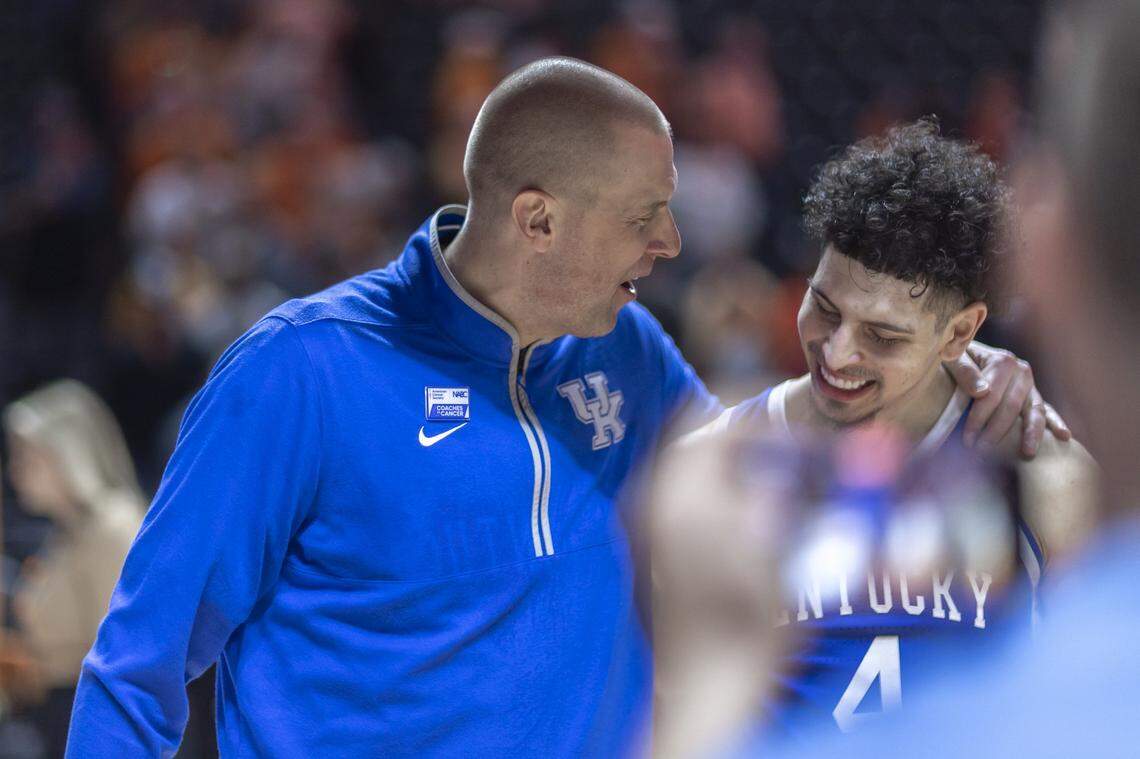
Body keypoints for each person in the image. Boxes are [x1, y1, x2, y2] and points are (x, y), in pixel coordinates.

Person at [66, 58, 1056, 757]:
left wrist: (968, 372)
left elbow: (768, 459)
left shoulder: (624, 348)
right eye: (643, 216)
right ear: (539, 220)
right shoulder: (298, 375)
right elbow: (135, 669)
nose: (671, 242)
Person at [650, 120, 1098, 755]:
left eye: (883, 337)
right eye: (825, 309)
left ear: (960, 332)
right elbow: (671, 696)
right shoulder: (720, 463)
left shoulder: (1039, 467)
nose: (837, 353)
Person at [0, 380, 146, 758]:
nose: (15, 472)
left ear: (68, 456)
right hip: (56, 718)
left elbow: (126, 650)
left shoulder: (114, 527)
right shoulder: (67, 533)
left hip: (93, 724)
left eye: (27, 458)